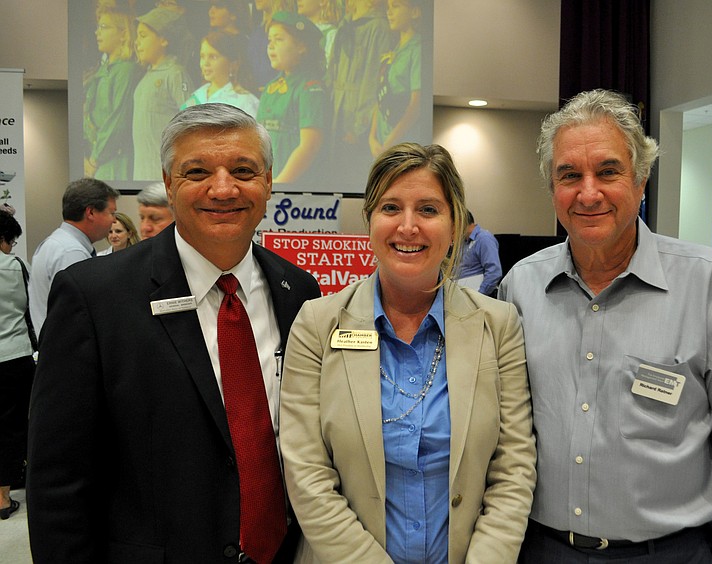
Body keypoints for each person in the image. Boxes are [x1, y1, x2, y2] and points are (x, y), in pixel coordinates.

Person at [499, 89, 712, 563]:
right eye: (569, 175)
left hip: (669, 553)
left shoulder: (711, 286)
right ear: (552, 188)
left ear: (641, 178)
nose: (588, 192)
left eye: (608, 171)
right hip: (543, 551)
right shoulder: (520, 290)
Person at [27, 103, 321, 562]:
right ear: (169, 183)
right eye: (197, 170)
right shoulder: (95, 297)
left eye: (243, 170)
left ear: (268, 182)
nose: (223, 188)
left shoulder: (298, 291)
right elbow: (58, 478)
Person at [280, 142, 536, 563]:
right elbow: (306, 474)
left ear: (455, 226)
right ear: (369, 222)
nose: (408, 226)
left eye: (429, 210)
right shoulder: (316, 324)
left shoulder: (499, 326)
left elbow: (513, 470)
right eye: (391, 208)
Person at [29, 178, 119, 335]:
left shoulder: (56, 244)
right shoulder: (71, 253)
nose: (114, 220)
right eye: (111, 213)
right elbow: (79, 316)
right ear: (90, 212)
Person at [256, 11, 328, 184]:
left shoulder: (309, 88)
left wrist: (280, 184)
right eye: (270, 40)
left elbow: (310, 145)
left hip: (296, 190)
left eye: (279, 39)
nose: (271, 46)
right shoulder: (271, 87)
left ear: (301, 47)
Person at [0, 210, 36, 520]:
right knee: (12, 427)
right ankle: (2, 496)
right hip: (14, 355)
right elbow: (31, 308)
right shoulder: (15, 266)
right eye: (11, 241)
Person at [132, 6, 195, 180]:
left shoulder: (175, 73)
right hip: (142, 174)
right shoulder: (144, 77)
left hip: (164, 176)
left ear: (164, 40)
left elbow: (192, 120)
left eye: (143, 36)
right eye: (137, 36)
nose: (137, 42)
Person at [327, 0, 391, 170]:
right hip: (337, 114)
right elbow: (333, 68)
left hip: (357, 119)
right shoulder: (346, 23)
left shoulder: (378, 27)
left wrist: (358, 126)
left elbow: (373, 80)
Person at [83, 5, 140, 181]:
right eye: (97, 27)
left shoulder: (126, 70)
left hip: (112, 159)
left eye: (104, 27)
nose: (97, 33)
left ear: (123, 33)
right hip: (95, 155)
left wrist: (94, 160)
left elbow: (118, 121)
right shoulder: (103, 70)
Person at [368, 0, 422, 157]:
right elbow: (379, 99)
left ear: (414, 12)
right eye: (388, 7)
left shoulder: (418, 49)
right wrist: (372, 137)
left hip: (403, 145)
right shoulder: (393, 50)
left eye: (396, 7)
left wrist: (389, 144)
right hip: (381, 142)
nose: (389, 12)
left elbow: (416, 105)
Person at [181, 30, 260, 117]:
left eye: (213, 57)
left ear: (232, 64)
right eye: (202, 56)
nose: (205, 63)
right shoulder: (198, 95)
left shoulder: (245, 102)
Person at [456, 210, 502, 297]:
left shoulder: (484, 238)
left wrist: (480, 295)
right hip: (465, 293)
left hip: (476, 294)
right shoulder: (464, 242)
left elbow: (494, 272)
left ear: (461, 223)